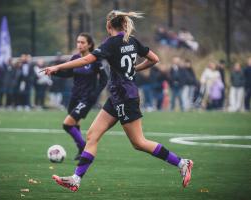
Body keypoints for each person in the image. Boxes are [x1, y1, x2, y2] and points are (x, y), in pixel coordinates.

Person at [41, 10, 193, 191]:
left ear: (108, 26)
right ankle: (76, 179)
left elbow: (86, 60)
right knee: (92, 135)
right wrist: (134, 69)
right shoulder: (132, 40)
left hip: (125, 97)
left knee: (139, 142)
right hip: (117, 96)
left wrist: (57, 66)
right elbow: (154, 59)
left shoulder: (111, 43)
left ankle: (182, 163)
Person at [52, 33, 108, 160]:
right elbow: (68, 74)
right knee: (74, 124)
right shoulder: (75, 58)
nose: (79, 45)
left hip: (86, 98)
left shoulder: (95, 60)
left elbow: (104, 79)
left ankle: (84, 148)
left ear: (89, 44)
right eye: (78, 42)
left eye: (82, 42)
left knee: (67, 125)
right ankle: (80, 150)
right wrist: (54, 73)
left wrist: (95, 94)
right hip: (74, 96)